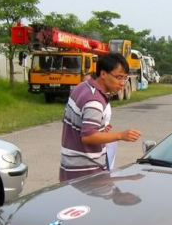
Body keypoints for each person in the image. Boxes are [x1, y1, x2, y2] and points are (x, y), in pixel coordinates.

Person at [59, 53, 141, 181]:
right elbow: (88, 137)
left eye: (125, 78)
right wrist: (120, 135)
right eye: (119, 77)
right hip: (86, 173)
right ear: (103, 74)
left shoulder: (81, 87)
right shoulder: (95, 101)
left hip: (69, 168)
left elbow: (74, 125)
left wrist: (100, 131)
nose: (122, 83)